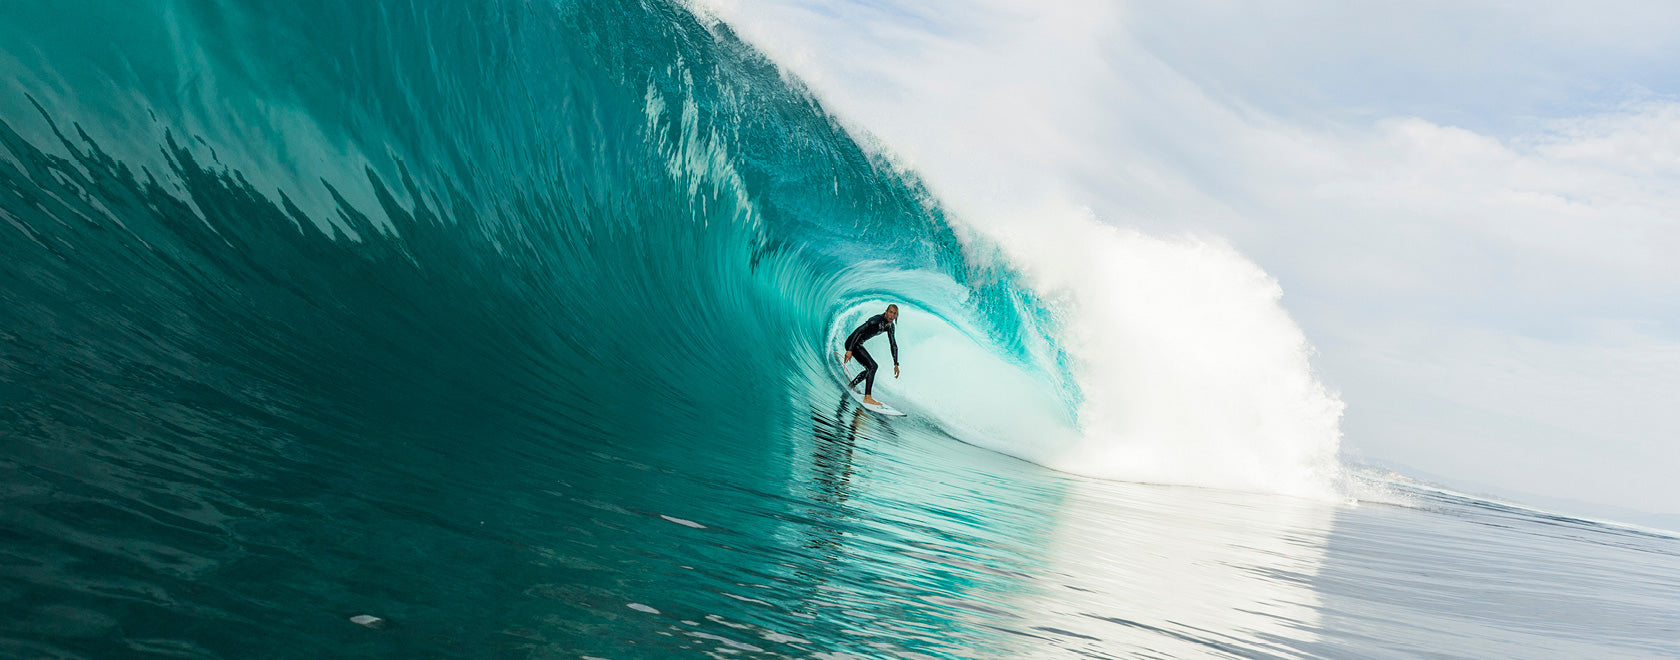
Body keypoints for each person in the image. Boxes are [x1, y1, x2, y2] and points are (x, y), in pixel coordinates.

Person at [842, 304, 900, 407]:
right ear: (886, 311)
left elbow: (893, 344)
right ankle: (867, 397)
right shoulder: (876, 320)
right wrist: (850, 350)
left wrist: (896, 363)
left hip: (858, 345)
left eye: (894, 313)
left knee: (870, 368)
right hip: (853, 343)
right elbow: (859, 331)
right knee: (873, 366)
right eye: (890, 312)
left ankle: (851, 385)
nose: (892, 315)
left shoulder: (890, 326)